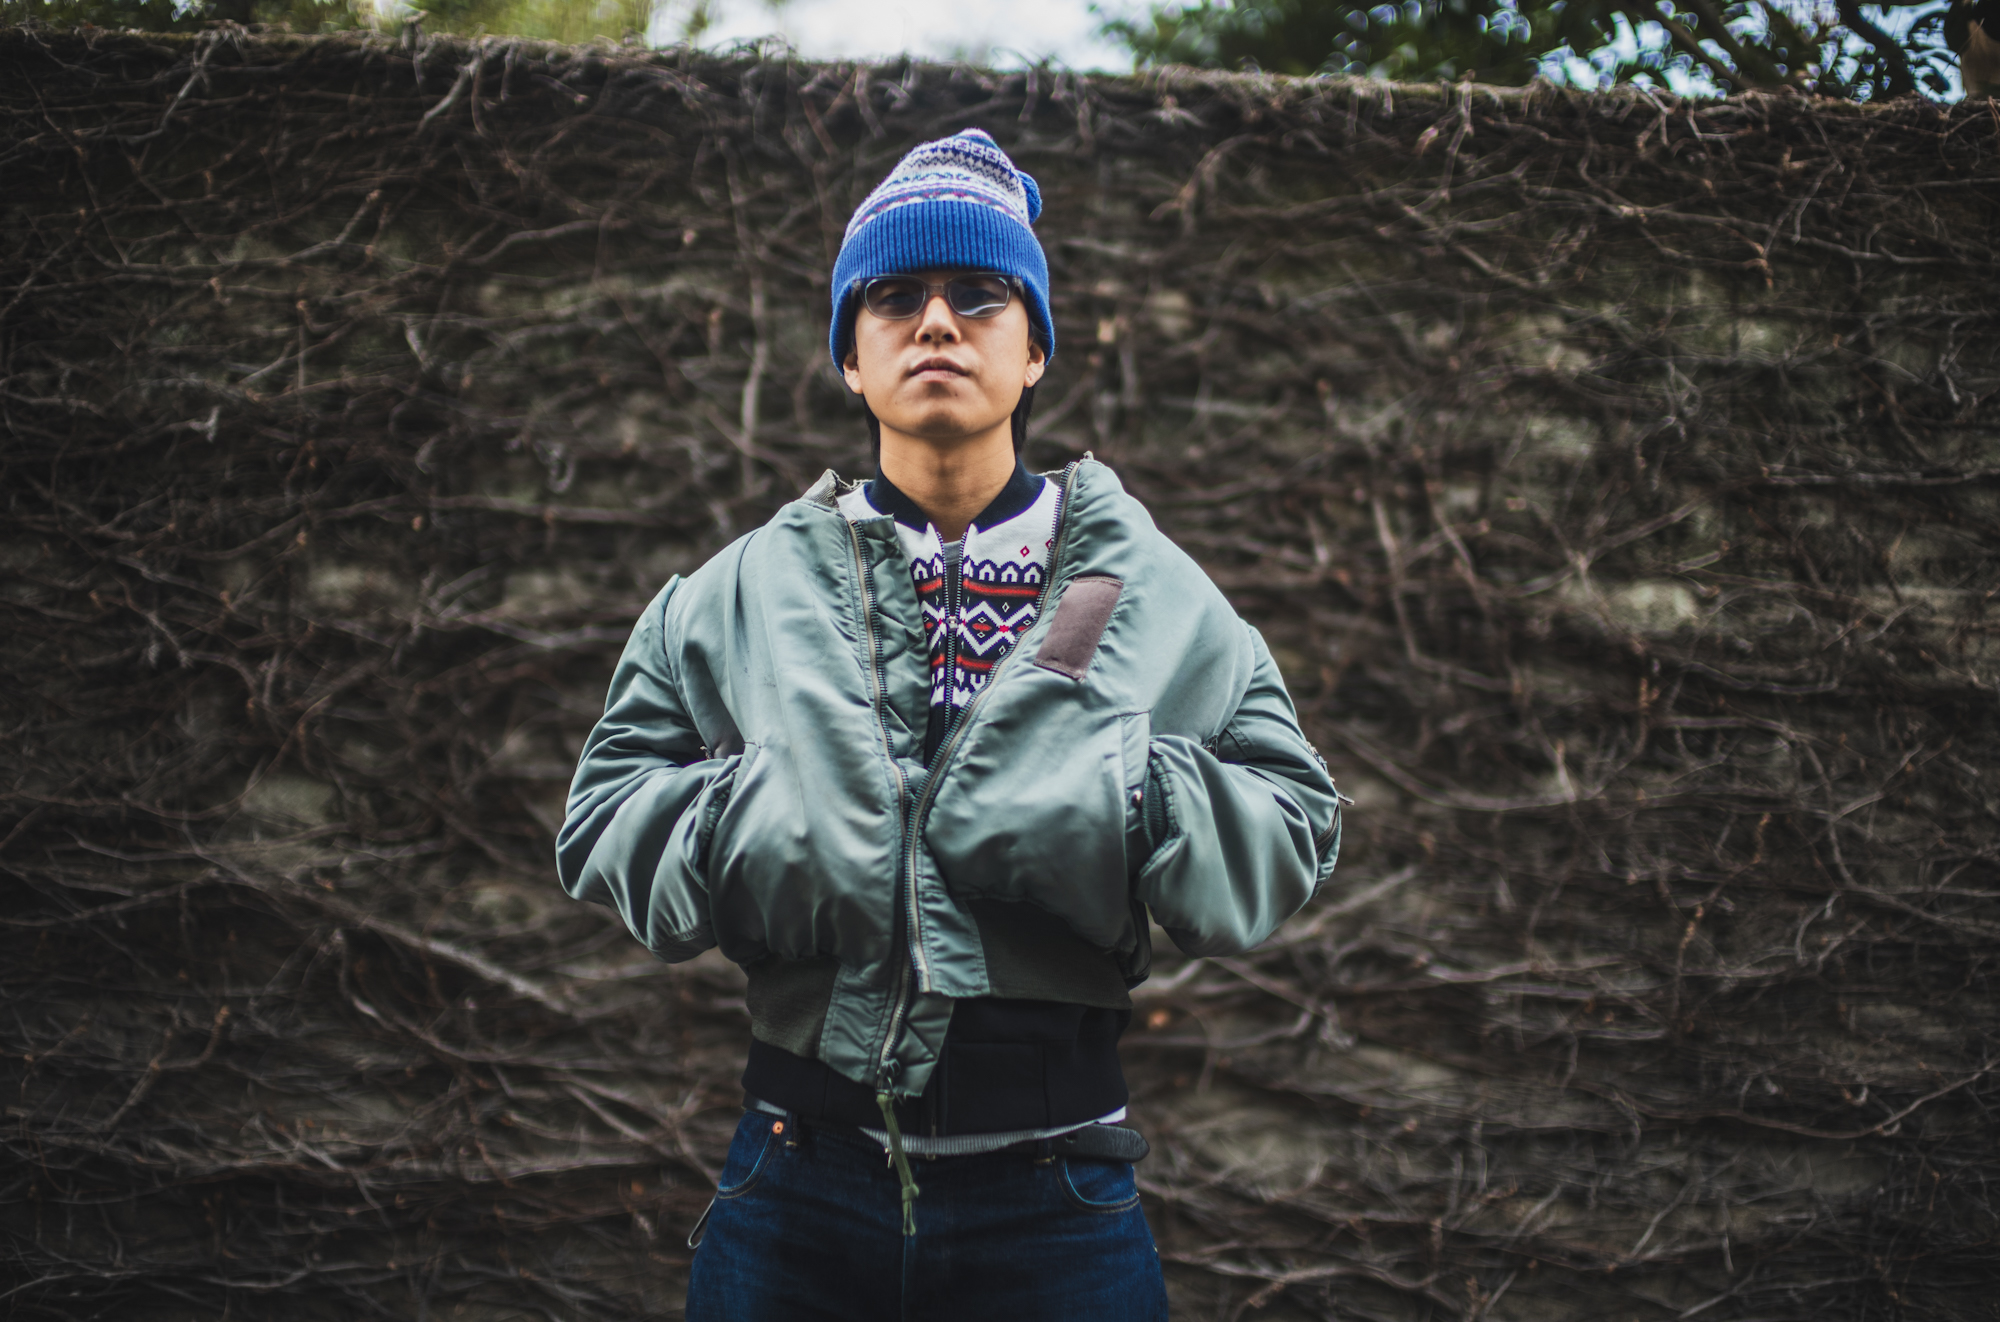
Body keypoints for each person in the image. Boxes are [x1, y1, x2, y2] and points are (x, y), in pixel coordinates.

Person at [556, 127, 1344, 1321]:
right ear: (849, 356)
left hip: (1057, 1198)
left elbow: (1295, 818)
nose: (935, 321)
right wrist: (759, 810)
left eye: (979, 294)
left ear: (1033, 352)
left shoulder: (1156, 593)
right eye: (893, 297)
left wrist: (1132, 791)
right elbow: (602, 811)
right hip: (795, 1188)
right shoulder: (731, 594)